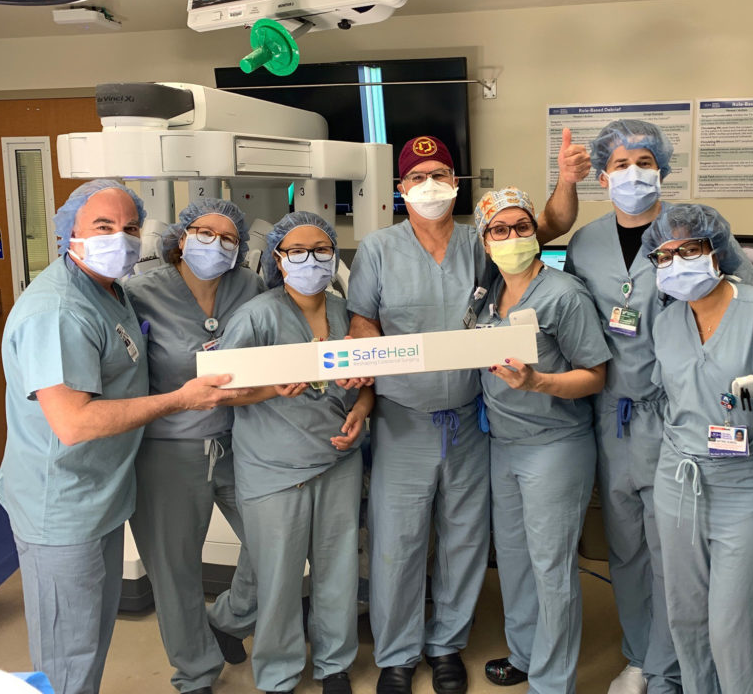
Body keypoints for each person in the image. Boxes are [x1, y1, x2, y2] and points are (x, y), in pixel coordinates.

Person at [0, 179, 245, 694]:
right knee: (68, 653)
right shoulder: (58, 310)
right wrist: (180, 399)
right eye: (102, 227)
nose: (120, 239)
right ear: (69, 232)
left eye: (130, 228)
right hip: (60, 504)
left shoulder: (108, 294)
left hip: (99, 494)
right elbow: (74, 422)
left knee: (89, 640)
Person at [348, 136, 577, 694]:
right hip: (405, 418)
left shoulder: (485, 240)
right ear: (401, 190)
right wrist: (361, 362)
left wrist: (568, 177)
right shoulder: (378, 249)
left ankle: (447, 643)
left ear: (457, 183)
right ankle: (398, 653)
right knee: (397, 542)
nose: (430, 185)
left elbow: (549, 222)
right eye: (418, 176)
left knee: (465, 538)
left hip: (472, 419)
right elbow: (363, 323)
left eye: (441, 173)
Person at [564, 119, 753, 694]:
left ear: (663, 168)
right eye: (622, 164)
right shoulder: (586, 242)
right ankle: (639, 656)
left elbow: (747, 301)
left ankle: (671, 667)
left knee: (672, 553)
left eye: (645, 162)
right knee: (625, 546)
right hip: (611, 413)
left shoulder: (691, 231)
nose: (634, 174)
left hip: (676, 411)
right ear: (604, 175)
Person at [219, 211, 373, 694]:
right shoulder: (257, 316)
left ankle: (334, 665)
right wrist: (270, 389)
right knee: (280, 578)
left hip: (337, 459)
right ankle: (278, 672)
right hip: (274, 466)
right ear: (278, 260)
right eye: (297, 252)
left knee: (338, 569)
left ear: (335, 257)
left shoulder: (347, 315)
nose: (312, 261)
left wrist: (362, 410)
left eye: (322, 251)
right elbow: (222, 390)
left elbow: (369, 382)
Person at [644, 204, 753, 694]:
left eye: (690, 248)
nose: (677, 260)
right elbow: (669, 399)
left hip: (747, 487)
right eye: (665, 255)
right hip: (678, 482)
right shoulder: (665, 324)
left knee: (737, 625)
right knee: (686, 616)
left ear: (716, 250)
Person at [473, 188, 610, 694]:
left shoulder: (563, 295)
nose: (512, 238)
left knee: (551, 567)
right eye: (500, 230)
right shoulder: (486, 295)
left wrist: (538, 383)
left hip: (554, 445)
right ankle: (526, 654)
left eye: (522, 227)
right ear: (486, 241)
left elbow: (595, 375)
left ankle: (553, 682)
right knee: (513, 559)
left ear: (536, 232)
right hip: (503, 444)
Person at [123, 198, 263, 694]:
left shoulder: (248, 286)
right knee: (176, 572)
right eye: (206, 233)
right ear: (181, 238)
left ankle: (227, 619)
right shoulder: (139, 294)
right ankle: (196, 674)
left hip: (238, 440)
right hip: (168, 450)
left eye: (229, 238)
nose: (217, 245)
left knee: (275, 544)